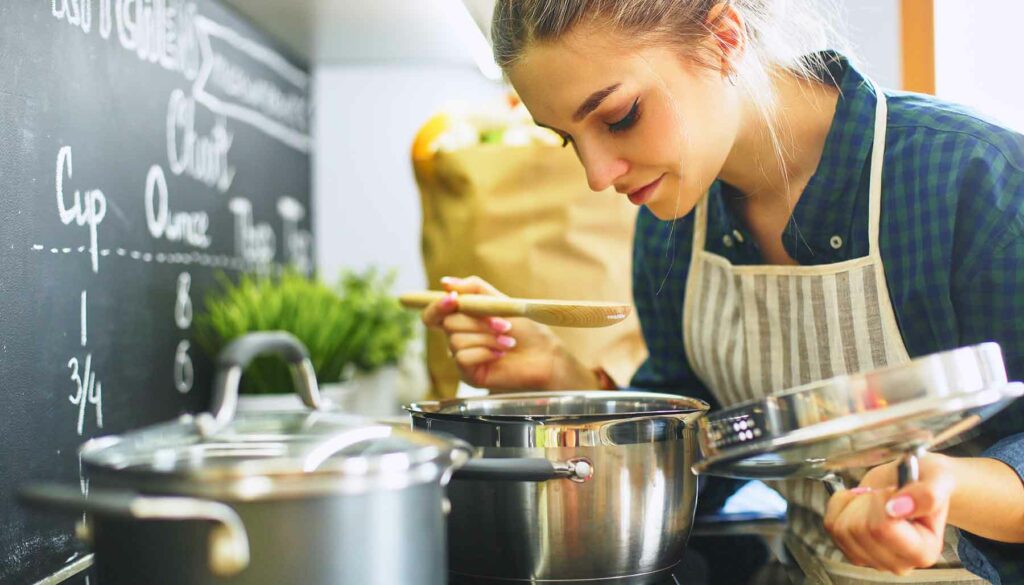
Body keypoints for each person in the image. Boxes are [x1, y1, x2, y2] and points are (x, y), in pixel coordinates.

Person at [419, 1, 1024, 583]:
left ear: (724, 38)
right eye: (567, 138)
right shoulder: (673, 231)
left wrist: (942, 487)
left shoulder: (973, 177)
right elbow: (704, 464)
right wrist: (558, 377)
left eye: (620, 116)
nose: (598, 174)